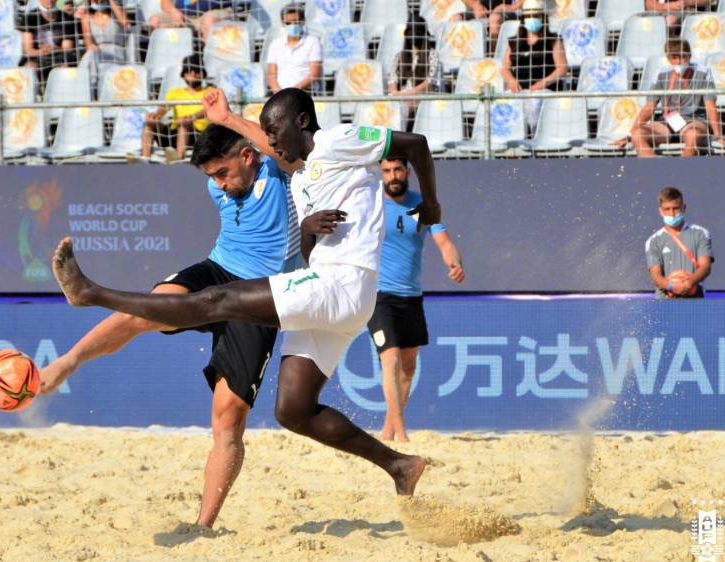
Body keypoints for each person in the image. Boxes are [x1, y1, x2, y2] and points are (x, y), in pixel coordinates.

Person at [50, 86, 437, 496]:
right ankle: (398, 465)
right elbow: (307, 250)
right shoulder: (303, 181)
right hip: (330, 289)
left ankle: (91, 293)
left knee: (217, 302)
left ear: (300, 122)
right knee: (293, 410)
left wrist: (433, 205)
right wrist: (307, 230)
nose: (269, 138)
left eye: (273, 130)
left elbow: (415, 142)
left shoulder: (333, 141)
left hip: (343, 282)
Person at [40, 123, 301, 528]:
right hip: (218, 270)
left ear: (248, 156)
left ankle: (203, 526)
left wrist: (229, 116)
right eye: (211, 176)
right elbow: (232, 171)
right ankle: (66, 362)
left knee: (228, 417)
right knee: (148, 310)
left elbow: (285, 148)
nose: (219, 184)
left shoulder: (280, 172)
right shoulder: (221, 185)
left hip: (261, 297)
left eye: (222, 173)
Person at [369, 157, 464, 442]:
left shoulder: (421, 204)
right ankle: (402, 433)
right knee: (391, 360)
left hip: (411, 296)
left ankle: (388, 430)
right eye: (386, 171)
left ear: (407, 172)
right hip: (379, 294)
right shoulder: (370, 201)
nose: (392, 176)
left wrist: (454, 264)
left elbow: (444, 242)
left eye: (397, 170)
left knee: (408, 366)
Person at [623, 38, 725, 157]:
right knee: (637, 135)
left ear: (689, 56)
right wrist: (629, 135)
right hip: (667, 121)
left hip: (695, 120)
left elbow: (710, 105)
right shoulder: (661, 74)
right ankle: (655, 170)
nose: (678, 61)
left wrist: (718, 135)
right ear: (668, 59)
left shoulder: (703, 72)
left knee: (692, 135)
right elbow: (649, 106)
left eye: (682, 57)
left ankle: (682, 171)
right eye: (674, 57)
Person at [500, 0, 567, 130]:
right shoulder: (514, 42)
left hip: (544, 89)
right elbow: (505, 68)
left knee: (535, 104)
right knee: (504, 104)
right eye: (528, 16)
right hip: (519, 90)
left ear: (543, 17)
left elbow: (562, 68)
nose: (532, 19)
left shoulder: (553, 40)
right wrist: (511, 80)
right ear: (523, 19)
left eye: (536, 16)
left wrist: (541, 84)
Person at [645, 187, 713, 300]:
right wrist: (672, 286)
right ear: (660, 211)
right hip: (665, 303)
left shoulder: (701, 233)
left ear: (684, 208)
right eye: (667, 209)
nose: (671, 214)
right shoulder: (653, 241)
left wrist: (690, 282)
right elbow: (655, 276)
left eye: (676, 208)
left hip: (695, 300)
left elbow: (705, 267)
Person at [142, 54, 214, 160]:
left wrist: (193, 117)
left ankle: (179, 157)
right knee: (150, 124)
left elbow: (210, 109)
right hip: (175, 133)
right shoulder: (174, 92)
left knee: (184, 124)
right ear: (183, 75)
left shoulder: (210, 91)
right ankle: (145, 158)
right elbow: (165, 107)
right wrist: (156, 115)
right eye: (189, 71)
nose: (193, 73)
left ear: (203, 74)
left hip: (199, 135)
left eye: (197, 70)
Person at [387, 18, 442, 128]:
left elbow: (429, 82)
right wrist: (397, 94)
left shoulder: (432, 55)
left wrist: (411, 93)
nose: (413, 35)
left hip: (423, 98)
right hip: (402, 99)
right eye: (411, 31)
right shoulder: (399, 57)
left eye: (417, 31)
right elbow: (392, 81)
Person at [265, 4, 322, 94]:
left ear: (303, 21)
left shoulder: (313, 42)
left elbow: (314, 74)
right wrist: (279, 93)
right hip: (280, 94)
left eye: (296, 22)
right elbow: (271, 75)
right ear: (283, 23)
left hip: (306, 93)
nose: (292, 25)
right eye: (288, 23)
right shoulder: (275, 44)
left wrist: (294, 91)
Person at [19, 0, 80, 83]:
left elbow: (68, 48)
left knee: (66, 69)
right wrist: (41, 51)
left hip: (60, 58)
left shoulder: (67, 18)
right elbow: (28, 50)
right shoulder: (29, 17)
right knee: (29, 68)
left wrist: (54, 49)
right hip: (36, 58)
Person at [79, 0, 129, 94]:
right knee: (91, 54)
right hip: (97, 52)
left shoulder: (116, 13)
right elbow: (88, 42)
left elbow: (125, 23)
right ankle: (89, 84)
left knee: (92, 57)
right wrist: (92, 47)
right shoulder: (86, 17)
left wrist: (112, 2)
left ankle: (84, 87)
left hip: (115, 51)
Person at [146, 0, 234, 41]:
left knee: (208, 21)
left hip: (215, 10)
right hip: (184, 14)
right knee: (154, 21)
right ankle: (166, 60)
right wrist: (173, 11)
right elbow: (165, 3)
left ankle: (207, 60)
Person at [644, 0, 713, 31]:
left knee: (669, 21)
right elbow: (649, 4)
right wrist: (667, 6)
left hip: (689, 9)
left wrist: (688, 2)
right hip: (663, 9)